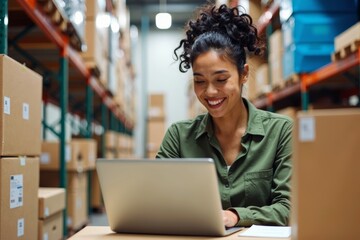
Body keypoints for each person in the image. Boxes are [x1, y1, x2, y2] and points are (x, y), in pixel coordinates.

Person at [156, 3, 293, 228]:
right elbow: (157, 198)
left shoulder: (280, 132)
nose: (210, 92)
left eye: (221, 80)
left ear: (244, 74)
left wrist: (236, 216)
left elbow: (287, 207)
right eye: (199, 81)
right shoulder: (178, 138)